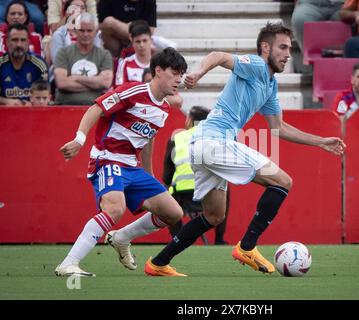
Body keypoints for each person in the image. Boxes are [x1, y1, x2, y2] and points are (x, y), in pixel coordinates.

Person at [141, 22, 346, 277]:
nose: (287, 54)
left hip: (202, 145)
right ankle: (247, 247)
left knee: (214, 216)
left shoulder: (270, 85)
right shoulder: (257, 65)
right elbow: (218, 56)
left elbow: (278, 128)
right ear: (265, 47)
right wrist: (199, 73)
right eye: (282, 47)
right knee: (283, 181)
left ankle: (158, 263)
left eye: (290, 48)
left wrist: (320, 142)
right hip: (215, 142)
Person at [54, 47, 188, 277]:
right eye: (174, 72)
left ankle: (121, 237)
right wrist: (79, 139)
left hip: (132, 167)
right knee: (115, 208)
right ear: (158, 71)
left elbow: (147, 140)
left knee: (173, 213)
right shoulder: (133, 91)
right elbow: (97, 107)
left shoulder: (164, 108)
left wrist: (150, 175)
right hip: (107, 158)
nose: (179, 79)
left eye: (181, 74)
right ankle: (68, 263)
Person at [162, 106, 229, 245]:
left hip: (181, 194)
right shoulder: (215, 137)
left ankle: (175, 237)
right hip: (207, 192)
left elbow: (167, 175)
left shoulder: (178, 138)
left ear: (190, 120)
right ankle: (219, 239)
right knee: (225, 187)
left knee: (168, 187)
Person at [53, 13, 113, 105]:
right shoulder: (63, 53)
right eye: (82, 30)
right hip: (64, 105)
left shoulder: (104, 55)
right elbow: (62, 82)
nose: (85, 34)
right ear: (75, 31)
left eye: (89, 30)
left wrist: (76, 78)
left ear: (96, 32)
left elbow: (105, 83)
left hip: (94, 109)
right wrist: (95, 84)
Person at [0, 23, 48, 106]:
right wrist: (6, 101)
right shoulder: (1, 64)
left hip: (33, 114)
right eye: (15, 40)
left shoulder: (39, 64)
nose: (19, 44)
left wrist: (32, 104)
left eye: (23, 40)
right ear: (7, 42)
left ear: (28, 42)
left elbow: (44, 96)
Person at [290, 0, 344, 72]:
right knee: (300, 18)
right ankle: (313, 61)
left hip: (344, 4)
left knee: (350, 19)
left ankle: (340, 65)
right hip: (311, 4)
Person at [48, 0, 102, 66]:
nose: (79, 10)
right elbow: (58, 64)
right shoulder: (59, 35)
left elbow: (98, 61)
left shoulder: (95, 34)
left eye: (82, 8)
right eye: (75, 7)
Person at [115, 20, 152, 87]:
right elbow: (119, 91)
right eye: (138, 41)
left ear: (151, 40)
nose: (142, 45)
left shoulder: (159, 64)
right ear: (132, 42)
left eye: (145, 40)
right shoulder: (124, 64)